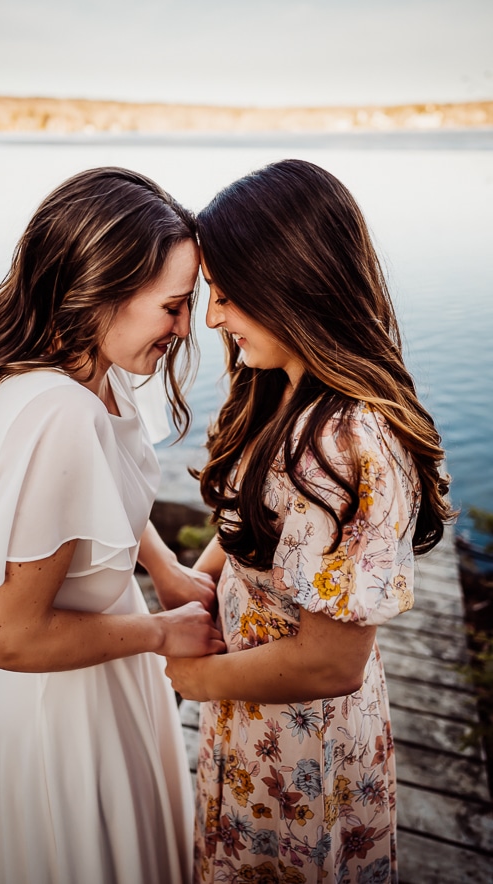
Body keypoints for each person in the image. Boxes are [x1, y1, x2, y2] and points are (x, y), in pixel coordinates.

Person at [165, 159, 455, 883]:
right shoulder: (283, 395)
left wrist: (194, 681)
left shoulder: (344, 441)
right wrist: (196, 580)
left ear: (290, 284)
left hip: (296, 744)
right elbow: (259, 539)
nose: (211, 318)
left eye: (227, 295)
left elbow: (331, 660)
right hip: (254, 713)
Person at [0, 166, 225, 884]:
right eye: (172, 306)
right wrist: (162, 634)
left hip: (105, 666)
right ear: (100, 291)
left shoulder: (85, 373)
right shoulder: (58, 412)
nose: (184, 327)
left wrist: (164, 569)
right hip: (63, 707)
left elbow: (91, 498)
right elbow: (4, 635)